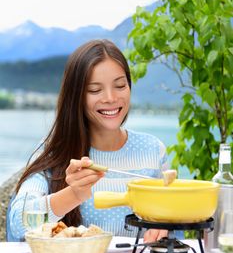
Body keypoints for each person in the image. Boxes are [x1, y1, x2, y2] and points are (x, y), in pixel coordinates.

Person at [9, 39, 169, 242]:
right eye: (95, 90)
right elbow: (17, 224)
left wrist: (164, 229)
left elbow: (175, 226)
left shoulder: (153, 150)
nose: (111, 98)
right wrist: (74, 194)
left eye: (120, 85)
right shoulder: (52, 151)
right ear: (76, 97)